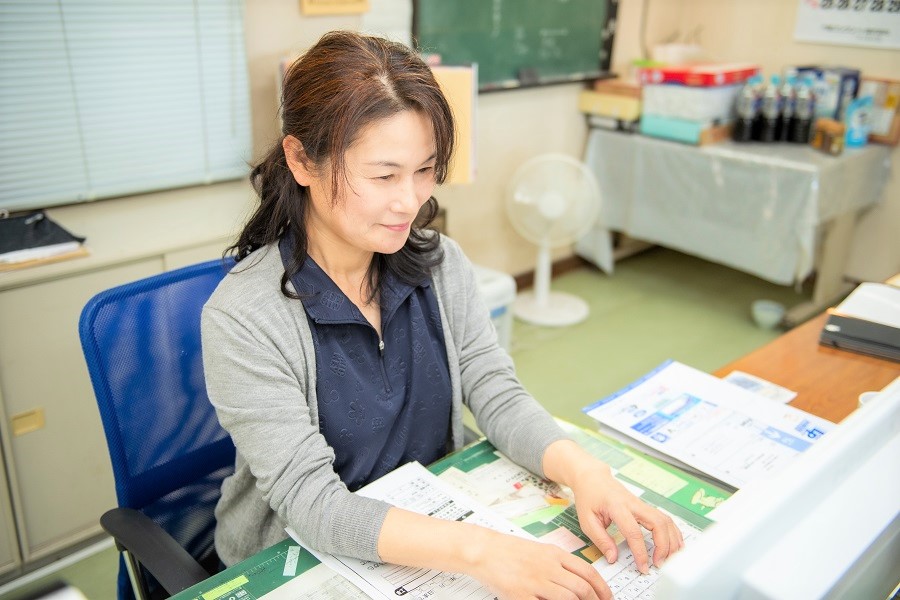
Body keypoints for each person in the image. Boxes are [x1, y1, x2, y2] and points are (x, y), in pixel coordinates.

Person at [201, 30, 683, 600]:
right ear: (302, 160)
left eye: (425, 170)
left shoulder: (438, 262)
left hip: (431, 526)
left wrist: (584, 472)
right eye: (383, 176)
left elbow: (493, 389)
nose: (410, 201)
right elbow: (314, 506)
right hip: (301, 562)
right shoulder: (244, 317)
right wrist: (483, 551)